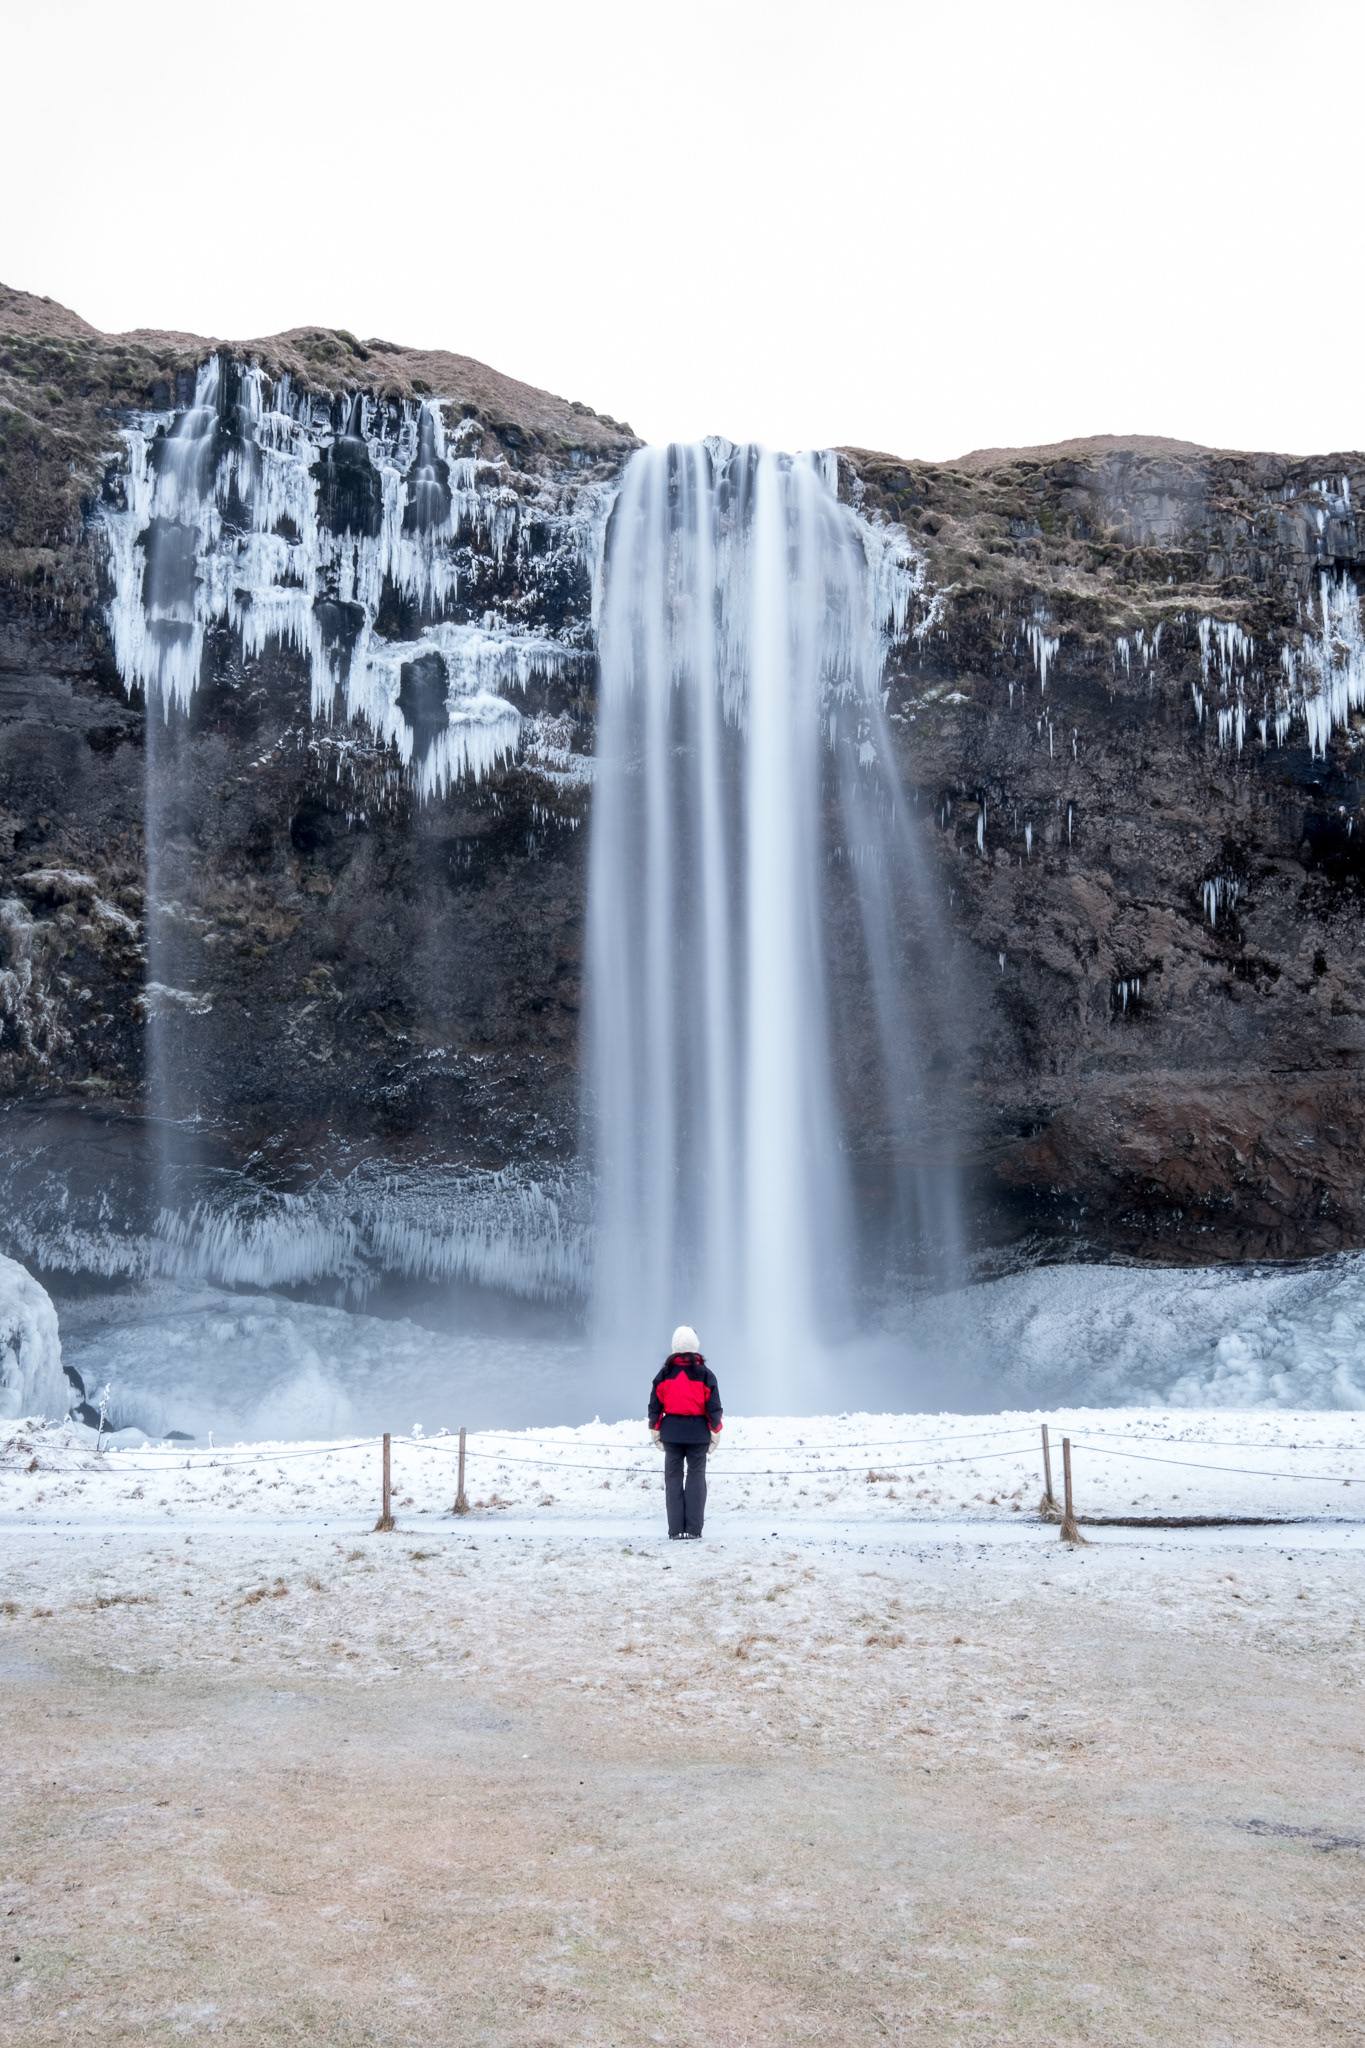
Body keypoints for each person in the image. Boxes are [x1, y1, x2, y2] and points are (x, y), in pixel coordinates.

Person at [648, 1325, 723, 1540]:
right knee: (696, 1478)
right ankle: (693, 1530)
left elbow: (655, 1405)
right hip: (698, 1434)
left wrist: (655, 1428)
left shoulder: (663, 1374)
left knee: (672, 1480)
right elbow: (714, 1407)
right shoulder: (705, 1375)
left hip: (671, 1434)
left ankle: (674, 1530)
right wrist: (715, 1430)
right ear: (695, 1347)